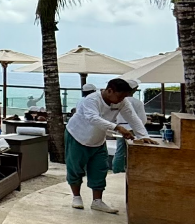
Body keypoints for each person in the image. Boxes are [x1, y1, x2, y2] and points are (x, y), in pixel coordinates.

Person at [65, 78, 155, 213]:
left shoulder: (122, 102)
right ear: (109, 90)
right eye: (119, 96)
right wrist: (117, 127)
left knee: (100, 169)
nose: (121, 100)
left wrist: (144, 136)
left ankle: (97, 201)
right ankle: (76, 197)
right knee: (75, 167)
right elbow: (93, 118)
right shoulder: (91, 100)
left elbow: (133, 118)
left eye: (125, 97)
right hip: (77, 135)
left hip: (98, 140)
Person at [111, 91, 147, 174]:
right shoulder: (137, 102)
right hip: (133, 128)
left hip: (121, 128)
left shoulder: (118, 101)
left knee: (120, 150)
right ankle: (132, 169)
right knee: (134, 150)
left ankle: (117, 170)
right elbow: (143, 119)